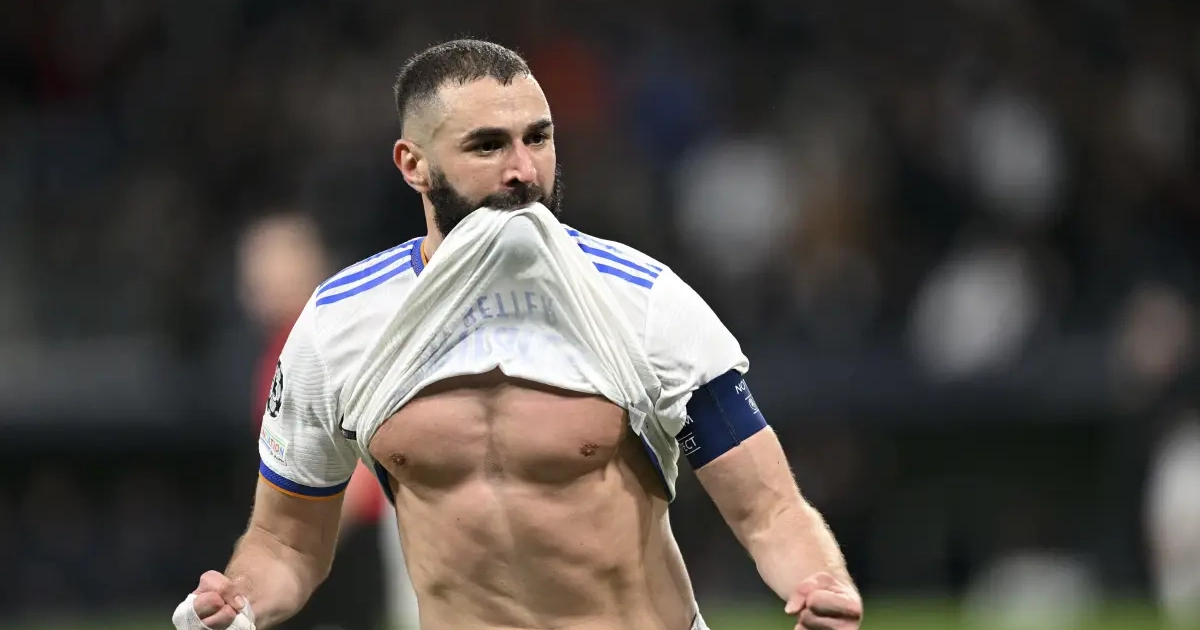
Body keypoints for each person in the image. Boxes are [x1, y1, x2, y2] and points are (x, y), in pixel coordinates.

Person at [173, 39, 862, 630]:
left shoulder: (644, 302)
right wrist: (241, 598)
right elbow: (287, 543)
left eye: (538, 137)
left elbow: (770, 510)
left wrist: (819, 581)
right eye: (488, 145)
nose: (524, 171)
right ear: (413, 164)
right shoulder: (338, 325)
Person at [236, 213, 420, 630]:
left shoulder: (327, 339)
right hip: (337, 531)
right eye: (252, 266)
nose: (257, 280)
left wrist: (297, 544)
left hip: (365, 530)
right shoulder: (280, 346)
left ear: (311, 264)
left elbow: (367, 452)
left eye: (273, 263)